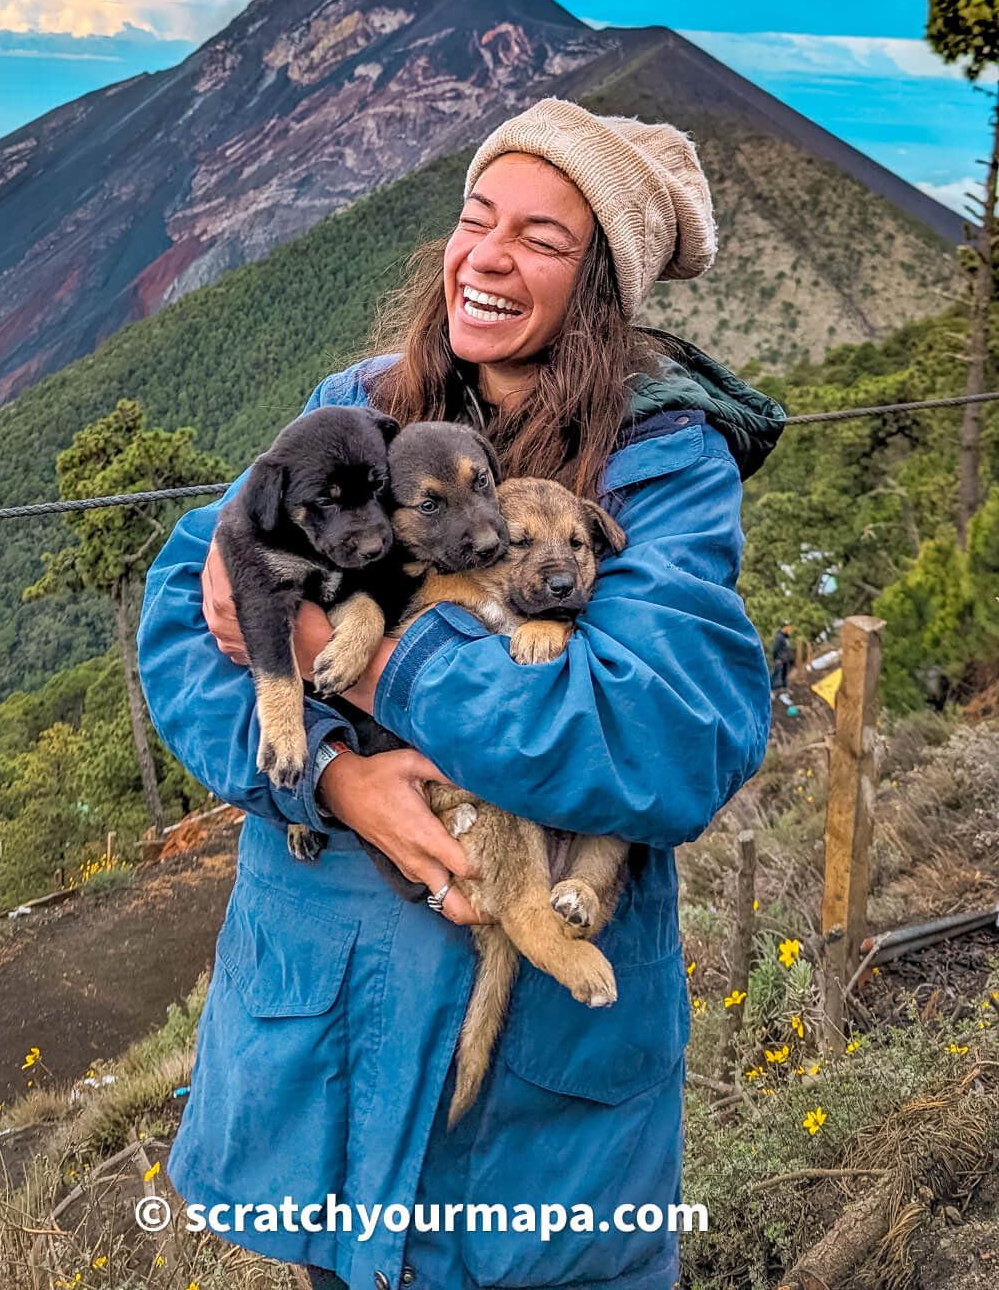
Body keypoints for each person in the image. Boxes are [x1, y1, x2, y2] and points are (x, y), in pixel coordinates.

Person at [138, 97, 785, 1290]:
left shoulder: (661, 461)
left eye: (541, 237)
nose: (487, 255)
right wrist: (335, 773)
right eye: (476, 216)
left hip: (536, 1122)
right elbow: (191, 604)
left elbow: (663, 740)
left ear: (600, 283)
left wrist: (386, 657)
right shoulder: (363, 407)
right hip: (337, 1046)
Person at [770, 623, 794, 692]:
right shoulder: (779, 637)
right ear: (784, 627)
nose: (790, 629)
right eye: (789, 627)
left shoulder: (786, 637)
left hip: (786, 660)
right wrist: (776, 659)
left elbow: (787, 649)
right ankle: (770, 690)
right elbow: (775, 649)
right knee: (775, 674)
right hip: (780, 660)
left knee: (785, 674)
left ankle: (785, 687)